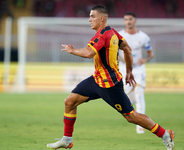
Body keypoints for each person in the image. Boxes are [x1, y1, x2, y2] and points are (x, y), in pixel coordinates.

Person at [46, 5, 175, 150]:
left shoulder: (102, 35)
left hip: (110, 84)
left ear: (101, 18)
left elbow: (89, 53)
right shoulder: (113, 32)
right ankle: (67, 139)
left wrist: (72, 50)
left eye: (92, 16)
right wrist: (130, 72)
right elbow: (127, 49)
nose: (89, 20)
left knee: (131, 116)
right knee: (70, 102)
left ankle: (165, 134)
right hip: (97, 80)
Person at [118, 12, 154, 134]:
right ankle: (132, 106)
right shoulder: (119, 36)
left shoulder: (143, 37)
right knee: (127, 97)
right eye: (126, 19)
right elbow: (113, 52)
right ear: (124, 21)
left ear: (135, 21)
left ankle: (140, 125)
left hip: (139, 70)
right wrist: (122, 59)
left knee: (139, 94)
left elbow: (150, 54)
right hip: (125, 69)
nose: (128, 21)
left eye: (130, 19)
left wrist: (144, 59)